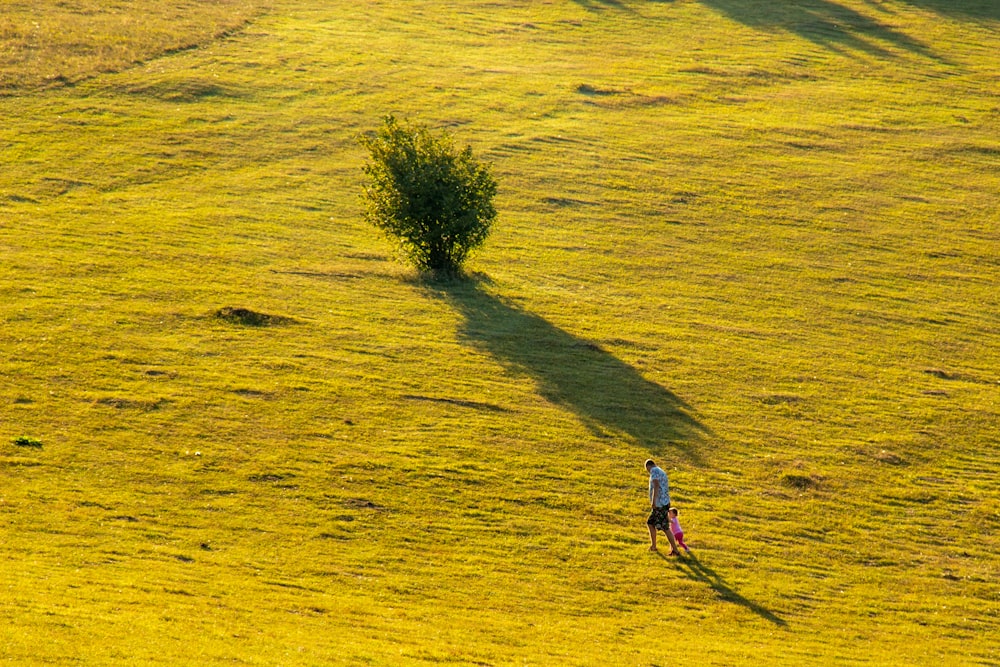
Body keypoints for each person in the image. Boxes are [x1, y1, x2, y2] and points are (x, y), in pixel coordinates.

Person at [645, 459, 679, 554]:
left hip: (659, 504)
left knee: (665, 527)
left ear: (648, 466)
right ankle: (653, 546)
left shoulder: (654, 471)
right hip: (664, 502)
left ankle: (675, 550)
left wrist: (653, 501)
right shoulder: (661, 471)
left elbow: (656, 485)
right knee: (650, 523)